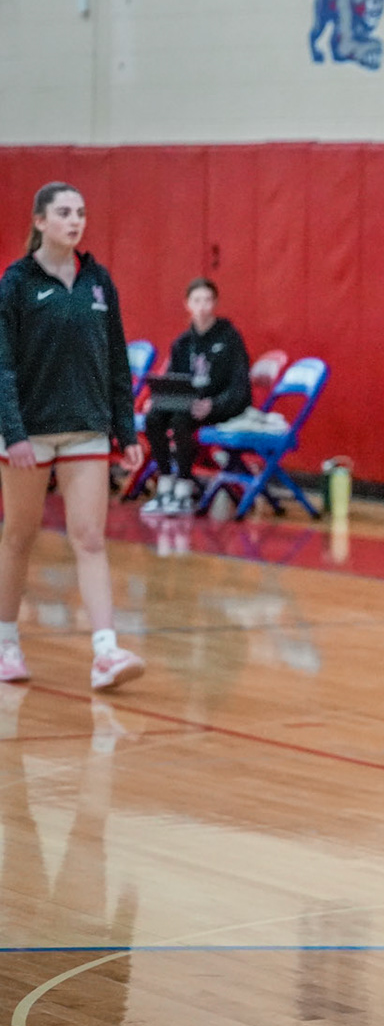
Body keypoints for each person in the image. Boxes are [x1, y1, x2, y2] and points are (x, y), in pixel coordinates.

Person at [0, 184, 145, 692]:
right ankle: (6, 643)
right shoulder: (16, 283)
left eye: (81, 212)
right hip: (29, 433)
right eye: (64, 212)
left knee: (90, 538)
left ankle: (105, 651)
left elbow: (116, 359)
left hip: (86, 427)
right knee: (19, 537)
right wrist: (12, 432)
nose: (75, 220)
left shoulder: (99, 281)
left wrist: (125, 429)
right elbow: (2, 365)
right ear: (40, 221)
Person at [140, 278, 251, 518]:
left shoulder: (229, 337)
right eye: (197, 300)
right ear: (187, 305)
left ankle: (184, 486)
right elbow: (172, 381)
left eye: (208, 300)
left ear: (215, 303)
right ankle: (165, 482)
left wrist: (214, 405)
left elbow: (240, 386)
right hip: (188, 403)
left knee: (181, 420)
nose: (202, 306)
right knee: (153, 417)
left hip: (219, 405)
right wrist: (157, 399)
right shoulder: (182, 343)